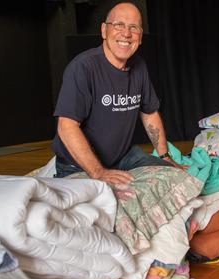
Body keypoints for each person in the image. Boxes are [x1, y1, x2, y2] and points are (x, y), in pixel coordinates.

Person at [52, 2, 173, 184]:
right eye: (119, 25)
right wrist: (98, 172)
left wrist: (164, 156)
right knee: (107, 201)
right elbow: (66, 126)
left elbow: (149, 113)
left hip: (123, 157)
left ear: (140, 37)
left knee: (172, 175)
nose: (126, 33)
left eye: (134, 27)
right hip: (77, 165)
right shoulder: (83, 67)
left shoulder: (139, 66)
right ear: (103, 31)